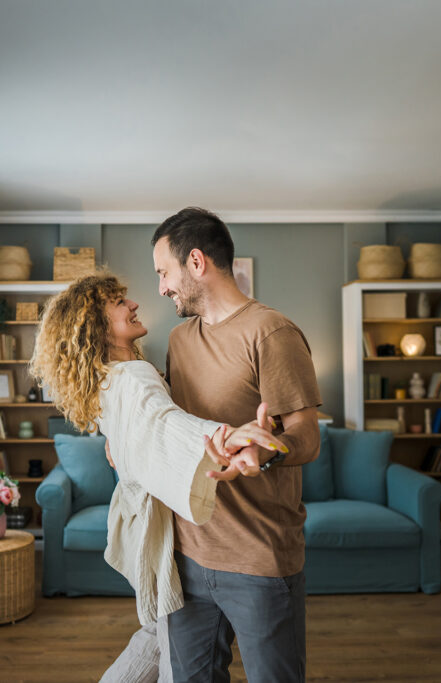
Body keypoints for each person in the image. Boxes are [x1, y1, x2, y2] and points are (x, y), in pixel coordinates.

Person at [28, 273, 286, 683]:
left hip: (139, 518)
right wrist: (227, 436)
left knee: (159, 632)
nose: (133, 305)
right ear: (94, 324)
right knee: (175, 655)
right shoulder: (133, 376)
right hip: (156, 525)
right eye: (118, 302)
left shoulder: (111, 375)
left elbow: (141, 428)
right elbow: (165, 423)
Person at [153, 207, 322, 682]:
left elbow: (309, 435)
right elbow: (169, 424)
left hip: (260, 558)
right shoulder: (179, 339)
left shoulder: (271, 332)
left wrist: (265, 451)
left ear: (197, 262)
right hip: (188, 554)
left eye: (164, 272)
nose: (162, 287)